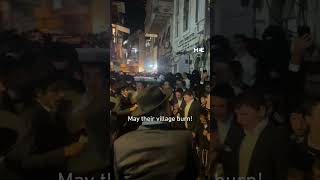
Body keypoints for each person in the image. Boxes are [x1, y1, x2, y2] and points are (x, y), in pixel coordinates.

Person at [113, 86, 198, 180]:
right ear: (162, 109)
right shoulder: (185, 140)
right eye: (167, 104)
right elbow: (193, 174)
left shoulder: (120, 145)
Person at [228, 91, 289, 179]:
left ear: (261, 111)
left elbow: (282, 174)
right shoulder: (238, 133)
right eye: (237, 114)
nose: (239, 120)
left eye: (244, 114)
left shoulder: (277, 137)